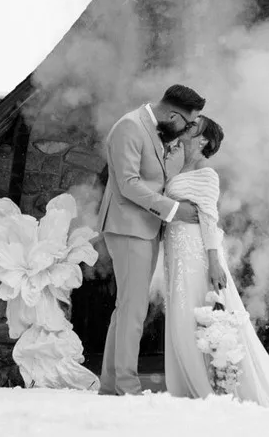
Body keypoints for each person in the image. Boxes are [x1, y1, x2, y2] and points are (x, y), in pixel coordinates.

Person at [161, 115, 269, 409]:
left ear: (203, 141)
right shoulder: (179, 168)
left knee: (196, 312)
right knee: (179, 312)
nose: (186, 128)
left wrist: (214, 262)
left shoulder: (206, 173)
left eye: (193, 127)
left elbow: (209, 218)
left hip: (196, 254)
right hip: (176, 251)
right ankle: (188, 385)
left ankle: (209, 386)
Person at [97, 84, 207, 397]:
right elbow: (129, 184)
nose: (188, 130)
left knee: (127, 307)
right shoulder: (129, 127)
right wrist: (174, 210)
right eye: (187, 124)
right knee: (133, 309)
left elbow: (158, 177)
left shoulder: (159, 130)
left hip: (143, 227)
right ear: (173, 114)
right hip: (128, 227)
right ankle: (128, 386)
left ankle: (111, 383)